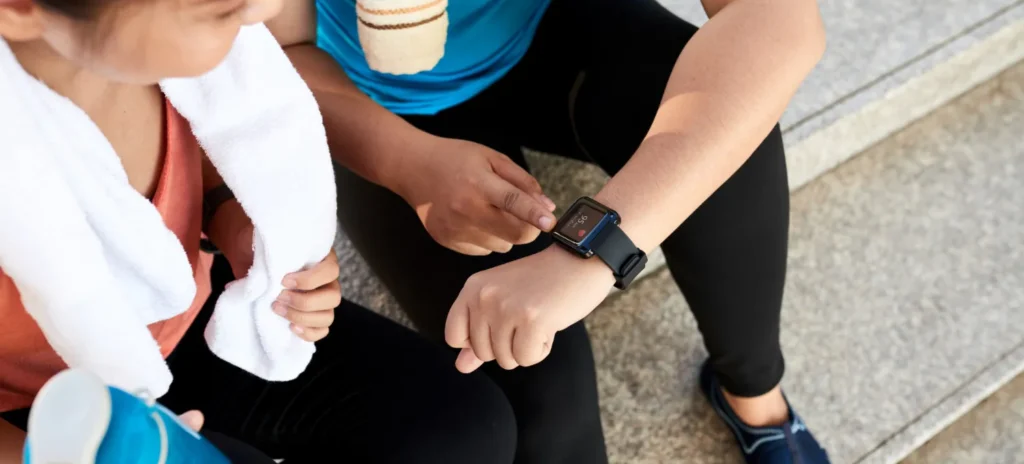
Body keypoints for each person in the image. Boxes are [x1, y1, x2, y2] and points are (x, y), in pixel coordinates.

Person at [269, 0, 830, 462]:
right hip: (372, 99)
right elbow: (279, 49)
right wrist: (405, 164)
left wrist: (594, 253)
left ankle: (755, 394)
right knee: (536, 391)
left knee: (736, 138)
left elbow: (778, 17)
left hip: (554, 22)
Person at [0, 1, 516, 462]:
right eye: (217, 7)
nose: (269, 9)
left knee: (464, 427)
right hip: (45, 413)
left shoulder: (141, 54)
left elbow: (201, 152)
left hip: (192, 316)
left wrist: (238, 228)